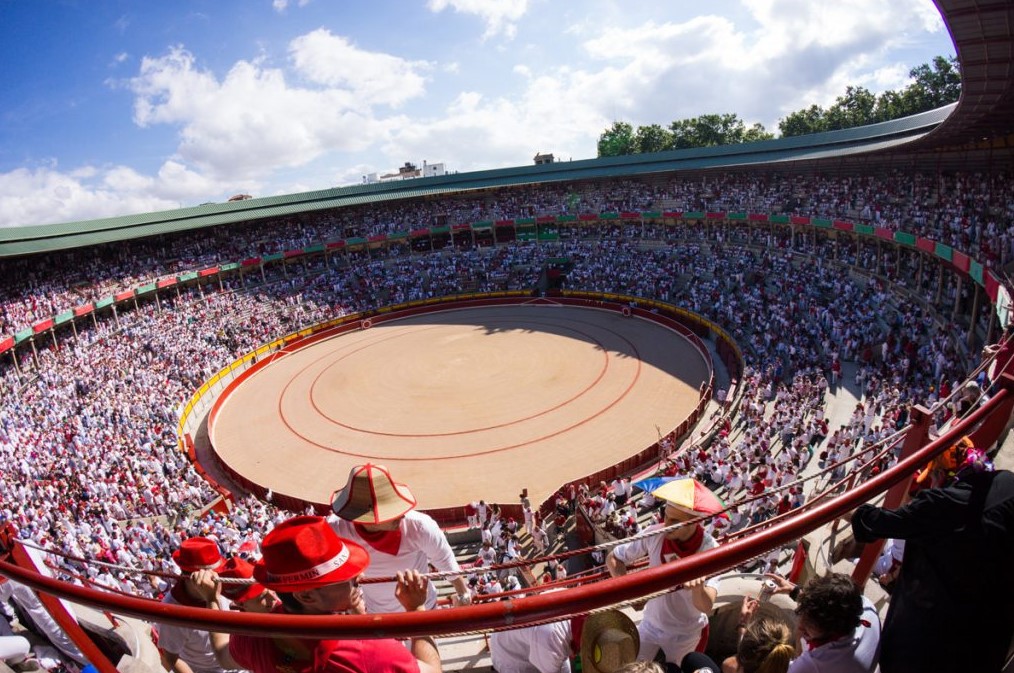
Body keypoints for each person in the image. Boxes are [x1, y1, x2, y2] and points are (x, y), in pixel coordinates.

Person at [850, 453, 1014, 673]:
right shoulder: (1007, 484)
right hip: (987, 642)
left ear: (942, 475)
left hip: (927, 645)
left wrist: (853, 511)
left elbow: (874, 523)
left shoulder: (941, 505)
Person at [228, 515, 441, 673]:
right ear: (307, 597)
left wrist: (210, 600)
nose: (360, 575)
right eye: (343, 575)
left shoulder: (250, 636)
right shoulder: (371, 652)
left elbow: (224, 656)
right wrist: (416, 611)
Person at [605, 479, 721, 667]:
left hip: (684, 633)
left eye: (674, 521)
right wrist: (631, 592)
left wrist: (698, 588)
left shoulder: (711, 550)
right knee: (631, 667)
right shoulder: (655, 533)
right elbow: (613, 558)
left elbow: (706, 605)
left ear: (693, 522)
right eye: (666, 515)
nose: (666, 523)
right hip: (651, 624)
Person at [328, 464, 471, 613]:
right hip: (379, 620)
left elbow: (447, 565)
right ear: (367, 518)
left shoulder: (420, 526)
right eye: (391, 511)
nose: (402, 514)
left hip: (423, 612)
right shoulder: (336, 530)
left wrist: (463, 595)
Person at [156, 537, 242, 673]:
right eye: (217, 572)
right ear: (196, 577)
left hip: (238, 659)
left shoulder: (220, 584)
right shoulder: (172, 610)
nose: (221, 576)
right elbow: (171, 657)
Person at [763, 572, 879, 673]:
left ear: (829, 629)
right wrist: (794, 591)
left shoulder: (814, 664)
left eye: (808, 626)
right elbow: (831, 606)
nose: (801, 624)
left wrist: (743, 626)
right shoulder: (867, 607)